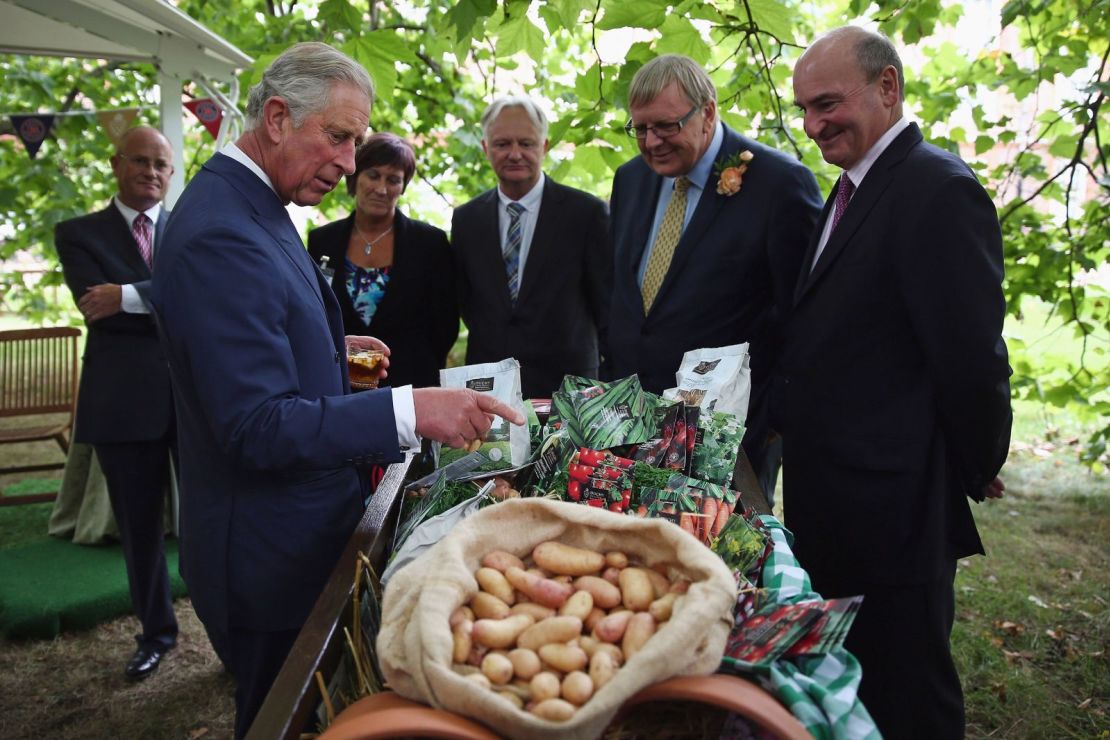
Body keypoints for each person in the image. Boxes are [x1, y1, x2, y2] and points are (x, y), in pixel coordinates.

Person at [150, 42, 523, 738]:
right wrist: (414, 409)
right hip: (266, 554)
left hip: (297, 537)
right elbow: (256, 425)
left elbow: (255, 338)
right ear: (279, 117)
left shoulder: (255, 203)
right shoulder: (221, 233)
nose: (351, 164)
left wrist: (325, 348)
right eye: (340, 137)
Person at [777, 26, 1012, 737]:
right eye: (804, 111)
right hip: (838, 494)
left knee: (909, 687)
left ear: (887, 88)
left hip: (895, 503)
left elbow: (971, 358)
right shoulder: (856, 185)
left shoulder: (935, 189)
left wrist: (971, 465)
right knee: (856, 679)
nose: (814, 126)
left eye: (827, 104)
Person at [606, 54, 822, 498]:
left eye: (665, 126)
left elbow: (804, 318)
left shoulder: (780, 185)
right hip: (629, 421)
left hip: (724, 434)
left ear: (707, 111)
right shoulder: (630, 180)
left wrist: (771, 422)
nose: (651, 142)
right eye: (639, 129)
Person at [54, 125, 178, 680]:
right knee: (140, 528)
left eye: (161, 165)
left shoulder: (187, 231)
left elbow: (202, 292)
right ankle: (156, 633)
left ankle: (225, 627)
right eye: (140, 161)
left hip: (193, 399)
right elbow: (92, 303)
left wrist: (126, 294)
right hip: (123, 406)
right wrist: (163, 298)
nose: (151, 172)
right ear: (115, 164)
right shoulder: (78, 233)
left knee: (208, 519)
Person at [453, 95, 611, 399]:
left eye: (526, 144)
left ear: (544, 146)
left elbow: (607, 309)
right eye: (502, 144)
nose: (515, 154)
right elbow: (466, 303)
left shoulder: (586, 214)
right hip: (491, 389)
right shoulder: (466, 219)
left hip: (570, 391)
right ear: (486, 148)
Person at [308, 133, 457, 388]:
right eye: (373, 175)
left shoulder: (430, 243)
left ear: (404, 186)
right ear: (355, 176)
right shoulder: (323, 241)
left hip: (411, 391)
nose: (381, 189)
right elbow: (315, 317)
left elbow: (445, 326)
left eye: (394, 180)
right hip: (340, 389)